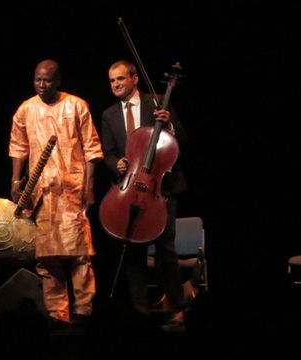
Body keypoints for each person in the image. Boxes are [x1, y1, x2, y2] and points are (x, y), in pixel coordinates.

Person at [9, 59, 104, 328]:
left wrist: (89, 187)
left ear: (58, 81)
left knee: (79, 253)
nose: (42, 85)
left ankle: (84, 309)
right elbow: (18, 147)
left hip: (72, 190)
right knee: (46, 257)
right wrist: (16, 181)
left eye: (47, 80)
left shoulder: (76, 105)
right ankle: (57, 313)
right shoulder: (26, 109)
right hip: (40, 194)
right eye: (38, 79)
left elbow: (91, 149)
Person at [100, 60, 188, 329]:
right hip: (130, 189)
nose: (115, 85)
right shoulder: (108, 115)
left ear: (135, 78)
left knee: (166, 250)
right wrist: (116, 163)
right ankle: (139, 312)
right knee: (133, 254)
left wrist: (169, 123)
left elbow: (180, 139)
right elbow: (109, 152)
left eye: (120, 79)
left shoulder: (157, 102)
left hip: (161, 188)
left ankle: (174, 306)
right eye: (112, 81)